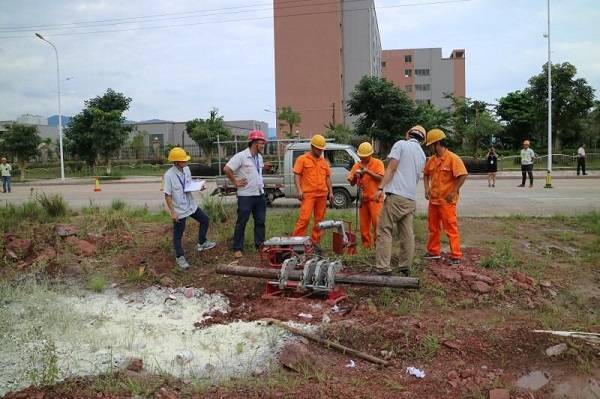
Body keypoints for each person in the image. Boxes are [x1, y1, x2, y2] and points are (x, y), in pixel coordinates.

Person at [373, 126, 427, 275]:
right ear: (422, 140)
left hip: (396, 195)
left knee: (385, 230)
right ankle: (405, 265)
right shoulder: (422, 155)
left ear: (408, 134)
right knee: (407, 233)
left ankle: (383, 267)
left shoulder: (401, 144)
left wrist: (380, 188)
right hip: (410, 199)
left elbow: (392, 168)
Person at [163, 147, 216, 270]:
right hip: (179, 209)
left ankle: (202, 242)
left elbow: (188, 184)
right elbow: (167, 195)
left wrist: (198, 187)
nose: (185, 162)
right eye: (183, 160)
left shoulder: (186, 169)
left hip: (190, 204)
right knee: (178, 235)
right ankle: (180, 257)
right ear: (175, 162)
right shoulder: (169, 175)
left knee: (205, 219)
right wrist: (173, 212)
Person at [423, 129, 468, 266]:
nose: (430, 148)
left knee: (450, 228)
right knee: (433, 227)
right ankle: (433, 252)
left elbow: (463, 175)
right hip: (434, 201)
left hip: (447, 202)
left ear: (437, 143)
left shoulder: (453, 159)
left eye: (431, 145)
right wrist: (426, 189)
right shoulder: (431, 160)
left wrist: (454, 192)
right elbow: (425, 174)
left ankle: (456, 255)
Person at [224, 130, 267, 259]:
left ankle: (259, 245)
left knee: (260, 221)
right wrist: (235, 182)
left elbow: (256, 171)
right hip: (246, 196)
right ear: (253, 143)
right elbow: (227, 169)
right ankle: (237, 247)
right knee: (242, 222)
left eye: (263, 143)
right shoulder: (241, 156)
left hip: (259, 194)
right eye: (261, 143)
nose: (263, 145)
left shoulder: (259, 157)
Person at [292, 134, 334, 243]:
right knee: (304, 219)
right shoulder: (302, 159)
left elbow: (328, 177)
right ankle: (297, 243)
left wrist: (331, 193)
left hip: (322, 195)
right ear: (312, 147)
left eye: (322, 149)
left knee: (319, 220)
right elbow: (296, 175)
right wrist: (299, 190)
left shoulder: (324, 161)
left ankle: (316, 243)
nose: (320, 151)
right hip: (308, 194)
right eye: (318, 149)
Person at [347, 142, 385, 249]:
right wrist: (356, 176)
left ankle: (379, 246)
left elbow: (381, 178)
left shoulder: (378, 163)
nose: (362, 159)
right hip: (363, 200)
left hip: (375, 200)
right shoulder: (357, 165)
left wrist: (367, 172)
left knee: (377, 224)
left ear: (370, 154)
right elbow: (351, 182)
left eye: (365, 157)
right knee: (364, 226)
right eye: (361, 157)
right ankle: (366, 246)